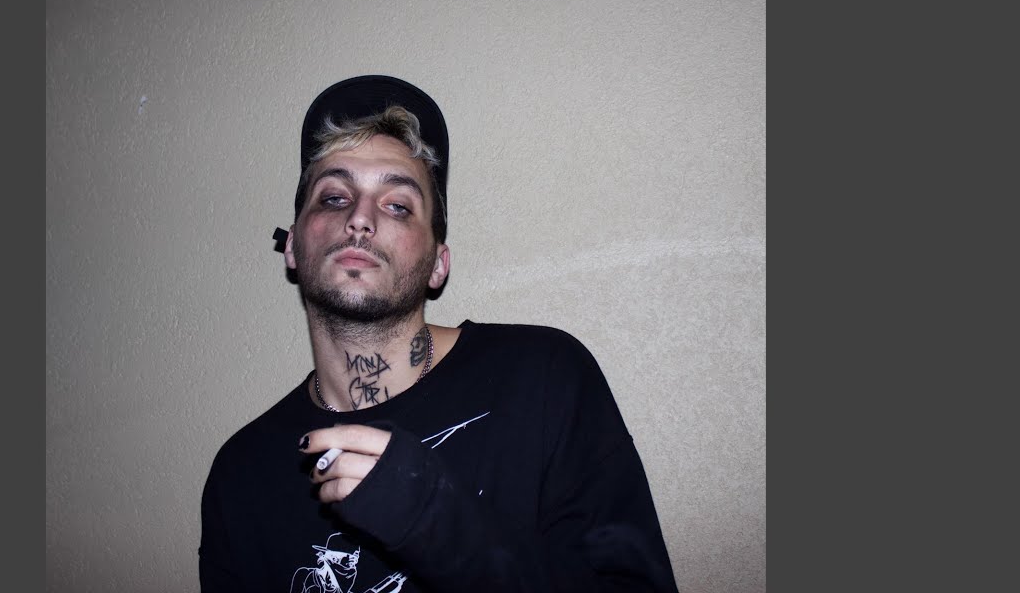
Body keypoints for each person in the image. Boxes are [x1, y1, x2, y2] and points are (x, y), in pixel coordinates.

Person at [199, 75, 679, 592]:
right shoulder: (241, 473)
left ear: (437, 264)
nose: (360, 218)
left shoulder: (544, 380)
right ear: (293, 246)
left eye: (398, 205)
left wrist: (436, 522)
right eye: (334, 198)